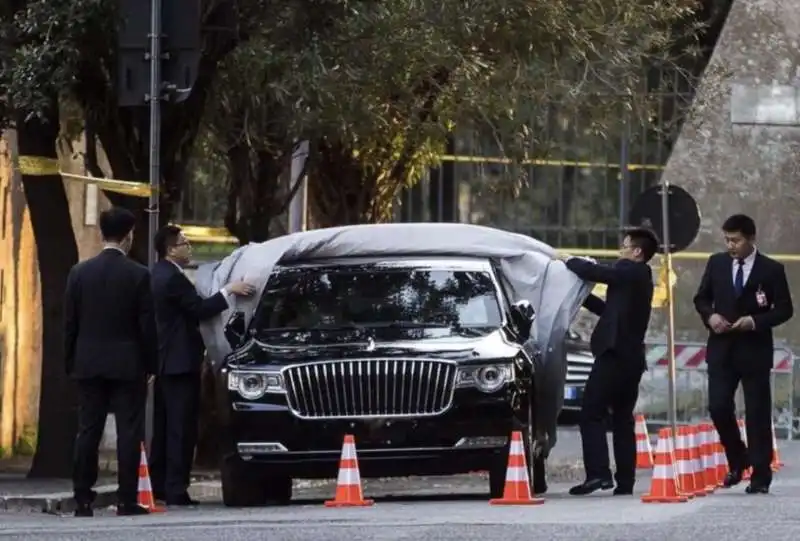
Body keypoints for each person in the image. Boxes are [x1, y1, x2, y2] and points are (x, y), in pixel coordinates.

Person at [148, 224, 255, 506]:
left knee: (165, 427)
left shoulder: (158, 274)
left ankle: (159, 484)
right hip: (179, 362)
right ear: (171, 249)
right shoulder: (172, 278)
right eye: (184, 243)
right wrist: (229, 290)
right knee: (180, 429)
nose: (189, 247)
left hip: (165, 362)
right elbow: (198, 309)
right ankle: (175, 489)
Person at [65, 207, 157, 517]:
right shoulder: (139, 275)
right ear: (129, 236)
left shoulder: (79, 273)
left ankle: (82, 499)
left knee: (88, 430)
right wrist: (151, 365)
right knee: (129, 432)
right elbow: (147, 326)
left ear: (102, 234)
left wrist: (71, 363)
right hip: (128, 363)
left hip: (88, 362)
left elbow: (70, 325)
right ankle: (127, 499)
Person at [693, 214, 793, 494]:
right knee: (718, 406)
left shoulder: (771, 269)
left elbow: (785, 309)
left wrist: (756, 321)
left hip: (754, 350)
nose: (730, 245)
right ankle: (738, 458)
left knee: (757, 413)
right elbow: (701, 298)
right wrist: (710, 316)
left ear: (751, 239)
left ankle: (760, 475)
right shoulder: (717, 263)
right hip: (722, 348)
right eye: (726, 239)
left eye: (735, 240)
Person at [556, 227, 658, 496]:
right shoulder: (633, 281)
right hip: (631, 358)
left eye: (624, 246)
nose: (620, 251)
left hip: (615, 356)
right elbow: (608, 309)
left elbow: (600, 272)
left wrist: (569, 260)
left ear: (637, 252)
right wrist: (582, 296)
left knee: (591, 413)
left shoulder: (634, 271)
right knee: (622, 418)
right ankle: (625, 481)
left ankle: (598, 474)